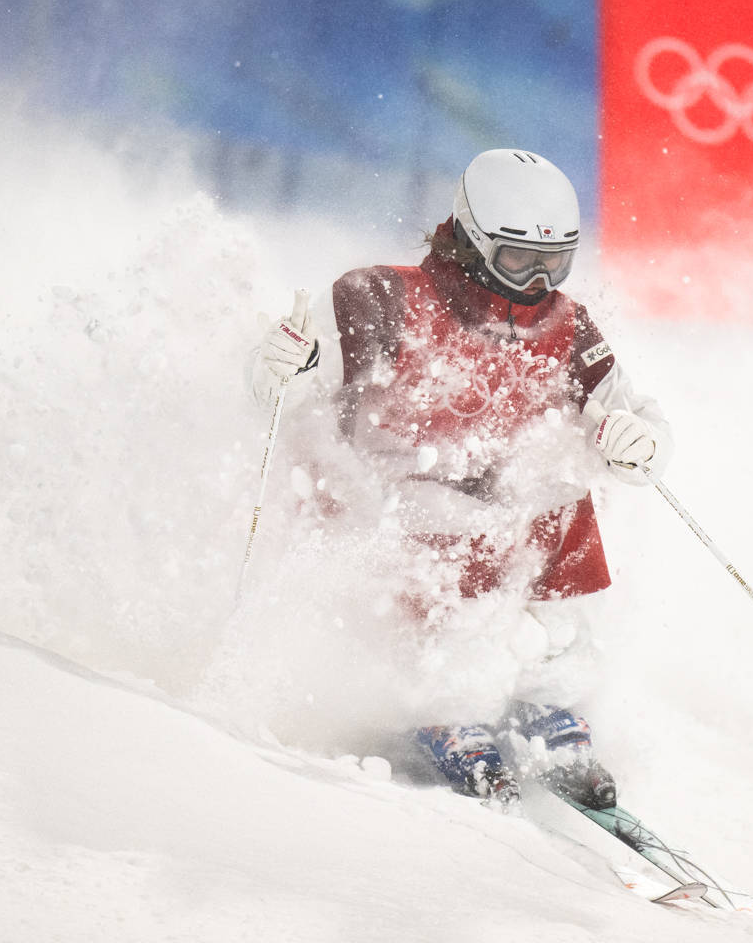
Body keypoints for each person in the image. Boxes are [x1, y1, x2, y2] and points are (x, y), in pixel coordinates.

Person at [248, 149, 673, 810]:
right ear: (472, 239)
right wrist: (284, 366)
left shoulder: (566, 326)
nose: (537, 283)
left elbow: (629, 416)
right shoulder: (382, 299)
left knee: (561, 500)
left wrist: (637, 444)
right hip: (389, 501)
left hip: (495, 503)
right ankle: (438, 706)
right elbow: (298, 378)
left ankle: (546, 703)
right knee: (443, 535)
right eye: (518, 261)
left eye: (554, 264)